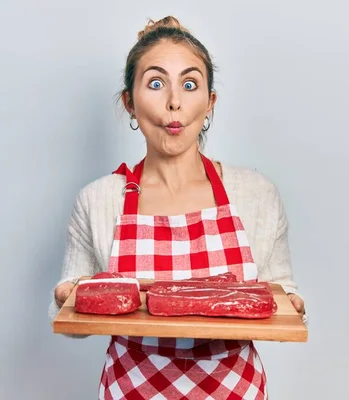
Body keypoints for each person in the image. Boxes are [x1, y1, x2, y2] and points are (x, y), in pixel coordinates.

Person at [49, 15, 307, 400]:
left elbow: (280, 291)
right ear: (129, 103)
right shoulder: (98, 199)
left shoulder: (256, 194)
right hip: (132, 388)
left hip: (233, 389)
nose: (174, 102)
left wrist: (293, 303)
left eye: (190, 84)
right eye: (156, 83)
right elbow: (75, 316)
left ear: (209, 102)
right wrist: (67, 299)